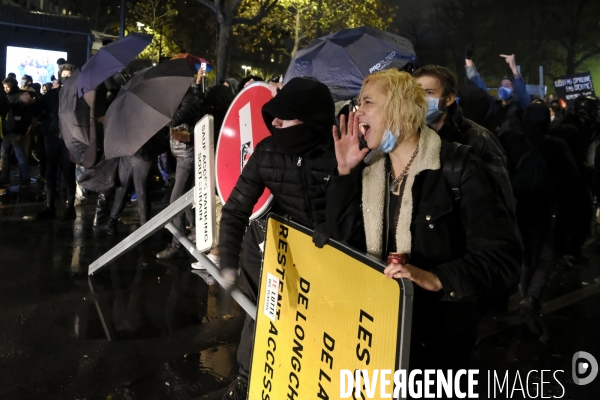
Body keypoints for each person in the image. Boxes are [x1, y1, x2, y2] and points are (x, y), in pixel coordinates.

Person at [326, 69, 520, 378]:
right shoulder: (370, 169)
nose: (357, 111)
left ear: (399, 109)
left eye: (367, 102)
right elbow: (342, 244)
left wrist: (437, 278)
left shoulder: (460, 167)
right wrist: (345, 173)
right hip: (376, 330)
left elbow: (502, 259)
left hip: (440, 342)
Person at [217, 77, 338, 399]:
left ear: (312, 120)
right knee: (262, 313)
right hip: (274, 247)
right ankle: (246, 376)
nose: (275, 123)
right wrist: (228, 264)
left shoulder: (342, 153)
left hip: (329, 253)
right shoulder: (267, 151)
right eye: (274, 115)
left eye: (286, 116)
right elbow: (235, 209)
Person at [500, 103, 579, 340]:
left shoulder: (510, 141)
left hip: (516, 205)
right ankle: (532, 297)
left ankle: (523, 291)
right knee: (544, 253)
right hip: (544, 207)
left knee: (522, 252)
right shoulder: (557, 145)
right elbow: (572, 179)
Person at [413, 65, 516, 220]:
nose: (422, 99)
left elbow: (499, 196)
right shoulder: (411, 137)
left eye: (429, 93)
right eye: (417, 93)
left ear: (449, 98)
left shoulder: (478, 138)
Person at [156, 89, 203, 258]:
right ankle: (195, 233)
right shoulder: (181, 100)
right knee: (187, 197)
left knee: (175, 200)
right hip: (181, 155)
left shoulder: (189, 101)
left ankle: (177, 245)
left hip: (187, 156)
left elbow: (174, 120)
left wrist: (165, 107)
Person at [36, 64, 78, 220]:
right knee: (50, 172)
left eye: (69, 75)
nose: (66, 78)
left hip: (69, 138)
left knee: (68, 172)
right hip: (53, 136)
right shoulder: (52, 94)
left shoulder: (78, 94)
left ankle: (70, 207)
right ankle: (50, 206)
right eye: (64, 75)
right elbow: (38, 108)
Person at [465, 47, 530, 138]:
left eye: (508, 85)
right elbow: (478, 84)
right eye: (502, 85)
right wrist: (468, 60)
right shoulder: (493, 105)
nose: (504, 87)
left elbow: (521, 89)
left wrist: (513, 67)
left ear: (514, 90)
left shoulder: (520, 106)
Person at [1, 78, 33, 188]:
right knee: (5, 156)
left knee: (20, 156)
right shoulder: (5, 97)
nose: (5, 89)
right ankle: (4, 178)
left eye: (7, 87)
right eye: (4, 87)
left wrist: (22, 132)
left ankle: (24, 178)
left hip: (16, 132)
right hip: (6, 132)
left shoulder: (21, 96)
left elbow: (26, 116)